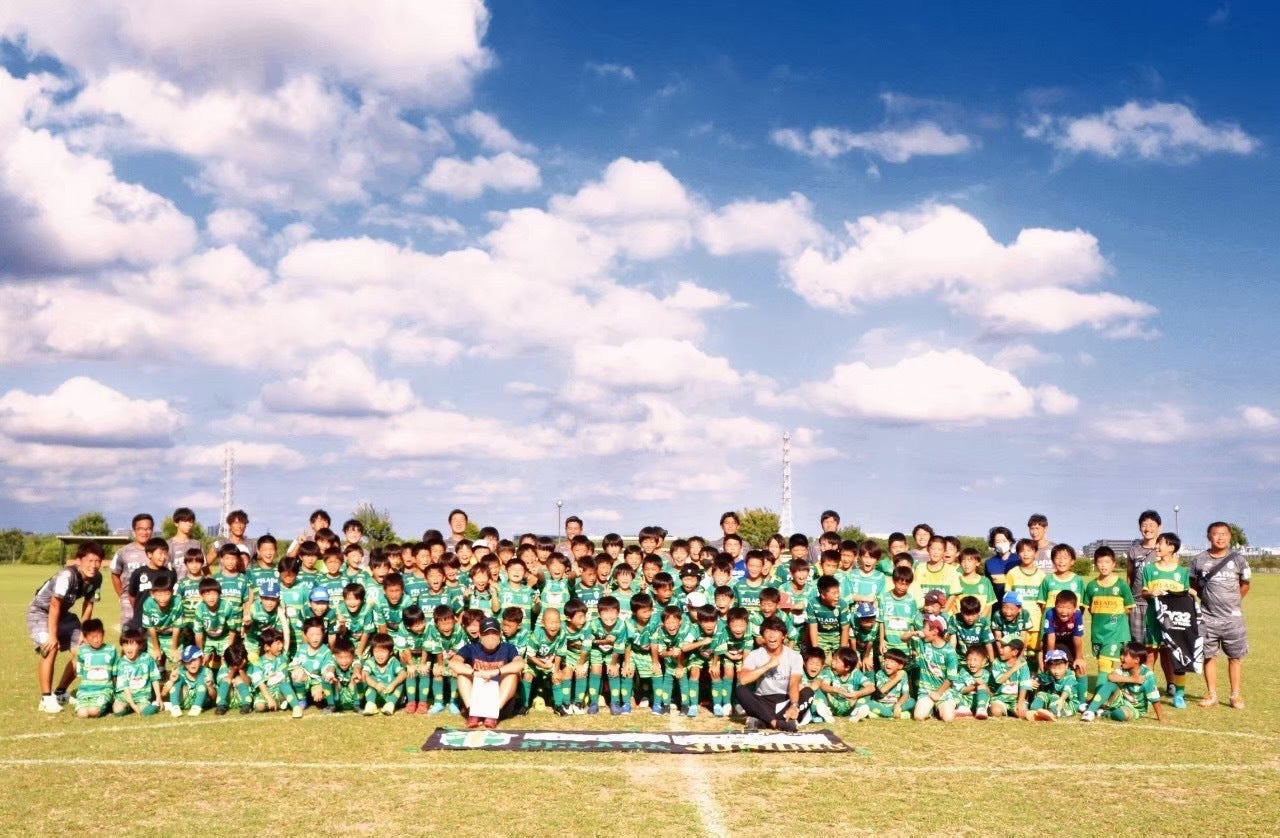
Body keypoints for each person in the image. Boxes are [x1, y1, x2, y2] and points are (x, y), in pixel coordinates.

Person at [30, 541, 105, 712]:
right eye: (90, 561)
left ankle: (60, 692)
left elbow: (89, 604)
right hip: (40, 612)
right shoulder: (67, 576)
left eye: (97, 561)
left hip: (63, 614)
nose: (93, 565)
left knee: (83, 650)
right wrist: (53, 635)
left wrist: (84, 633)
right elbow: (54, 605)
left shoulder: (97, 578)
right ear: (79, 560)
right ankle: (46, 698)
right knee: (51, 647)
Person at [1192, 521, 1251, 709]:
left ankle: (1235, 695)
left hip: (1233, 619)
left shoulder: (1239, 560)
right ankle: (1212, 694)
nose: (1220, 537)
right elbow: (1193, 584)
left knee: (1235, 657)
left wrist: (1233, 602)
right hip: (1207, 617)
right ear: (1209, 536)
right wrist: (1207, 599)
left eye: (1224, 534)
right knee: (1209, 656)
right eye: (1215, 534)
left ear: (1230, 537)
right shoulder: (1199, 560)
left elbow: (1245, 584)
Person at [735, 616, 811, 732]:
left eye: (776, 631)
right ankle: (775, 723)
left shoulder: (795, 656)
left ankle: (762, 720)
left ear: (783, 636)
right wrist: (768, 665)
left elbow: (794, 684)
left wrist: (794, 705)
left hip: (785, 701)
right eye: (767, 632)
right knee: (740, 690)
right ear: (763, 636)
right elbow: (743, 679)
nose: (771, 635)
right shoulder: (755, 655)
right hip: (762, 701)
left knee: (808, 692)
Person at [450, 616, 525, 729]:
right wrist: (475, 672)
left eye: (494, 633)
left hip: (500, 701)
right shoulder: (471, 648)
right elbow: (453, 663)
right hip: (477, 697)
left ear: (500, 634)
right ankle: (473, 713)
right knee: (463, 671)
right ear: (480, 635)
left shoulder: (508, 648)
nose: (491, 637)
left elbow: (520, 663)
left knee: (512, 674)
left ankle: (492, 714)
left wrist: (495, 672)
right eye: (486, 633)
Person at [1080, 642, 1166, 723]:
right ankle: (1089, 711)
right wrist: (1133, 679)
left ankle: (1103, 713)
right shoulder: (1123, 668)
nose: (1121, 657)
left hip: (1134, 709)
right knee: (1110, 684)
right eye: (1121, 654)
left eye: (1125, 655)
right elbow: (1110, 677)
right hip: (1120, 700)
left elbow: (1155, 699)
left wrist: (1161, 718)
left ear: (1136, 660)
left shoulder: (1148, 675)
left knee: (1120, 714)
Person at [111, 513, 154, 630]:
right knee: (129, 636)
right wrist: (122, 595)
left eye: (148, 529)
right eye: (141, 529)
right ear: (134, 530)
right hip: (129, 601)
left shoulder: (158, 551)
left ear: (152, 530)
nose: (144, 532)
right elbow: (115, 574)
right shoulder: (123, 552)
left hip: (152, 600)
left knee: (151, 635)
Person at [1127, 510, 1162, 648]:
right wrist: (1127, 600)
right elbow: (1129, 577)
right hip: (1137, 603)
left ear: (1159, 527)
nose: (1148, 529)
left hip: (1159, 604)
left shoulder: (1164, 549)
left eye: (1152, 525)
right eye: (1144, 525)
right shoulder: (1134, 550)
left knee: (1163, 647)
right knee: (1138, 646)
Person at [72, 619, 117, 718]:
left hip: (104, 690)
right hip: (85, 691)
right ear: (85, 638)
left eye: (98, 636)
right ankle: (87, 704)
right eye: (92, 637)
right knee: (82, 714)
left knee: (93, 711)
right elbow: (79, 672)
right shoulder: (82, 651)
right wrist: (75, 659)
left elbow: (115, 674)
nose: (96, 640)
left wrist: (115, 691)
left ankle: (105, 704)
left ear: (103, 634)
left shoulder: (111, 649)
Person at [167, 508, 203, 580]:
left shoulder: (197, 544)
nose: (189, 524)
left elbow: (204, 566)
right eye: (185, 521)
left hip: (193, 584)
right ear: (176, 523)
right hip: (175, 584)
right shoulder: (168, 545)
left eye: (191, 521)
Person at [984, 526, 1017, 603]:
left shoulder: (1018, 560)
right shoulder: (989, 563)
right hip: (996, 605)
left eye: (1004, 541)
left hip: (1015, 605)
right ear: (993, 544)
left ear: (1010, 541)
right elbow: (989, 587)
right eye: (998, 541)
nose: (1002, 544)